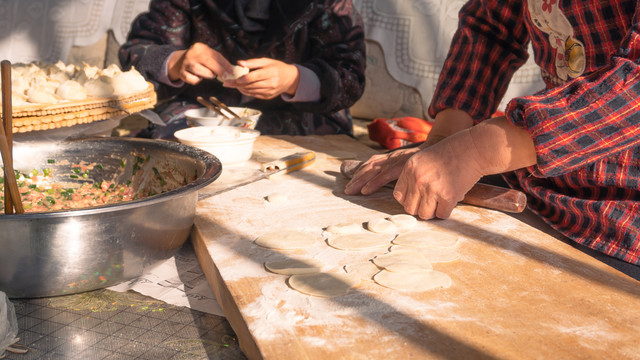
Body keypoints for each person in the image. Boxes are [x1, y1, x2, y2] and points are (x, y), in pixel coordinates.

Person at [345, 0, 640, 265]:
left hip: (622, 221)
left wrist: (475, 151)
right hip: (540, 187)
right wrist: (443, 141)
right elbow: (490, 29)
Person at [119, 0, 365, 139]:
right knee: (173, 144)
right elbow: (137, 55)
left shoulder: (329, 4)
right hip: (203, 115)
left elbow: (349, 75)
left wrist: (294, 80)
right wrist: (176, 62)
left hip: (302, 122)